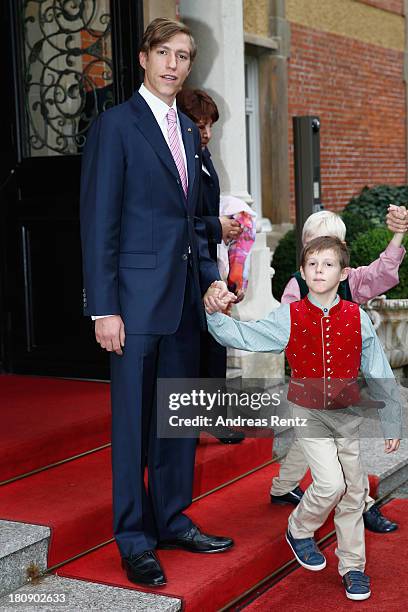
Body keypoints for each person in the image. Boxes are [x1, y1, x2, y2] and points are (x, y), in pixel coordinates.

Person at [80, 18, 236, 588]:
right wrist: (104, 308)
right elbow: (100, 223)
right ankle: (134, 537)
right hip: (134, 305)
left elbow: (193, 223)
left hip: (185, 302)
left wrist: (211, 281)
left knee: (178, 419)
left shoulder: (191, 132)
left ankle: (171, 519)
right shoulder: (114, 127)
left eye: (184, 56)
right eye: (164, 53)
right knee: (132, 425)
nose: (174, 64)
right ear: (144, 58)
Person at [205, 236, 402, 601]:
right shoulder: (289, 316)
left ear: (343, 273)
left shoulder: (357, 317)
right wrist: (214, 316)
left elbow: (379, 370)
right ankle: (299, 527)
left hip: (347, 415)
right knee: (330, 484)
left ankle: (353, 566)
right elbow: (247, 335)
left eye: (327, 264)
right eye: (312, 264)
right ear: (302, 272)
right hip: (307, 412)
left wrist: (393, 421)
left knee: (355, 491)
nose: (319, 270)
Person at [270, 208, 407, 534]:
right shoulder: (295, 287)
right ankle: (353, 503)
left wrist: (398, 235)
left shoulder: (352, 279)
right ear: (305, 248)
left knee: (329, 445)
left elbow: (382, 271)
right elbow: (280, 330)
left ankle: (293, 489)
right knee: (325, 445)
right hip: (309, 383)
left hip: (340, 382)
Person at [176, 88, 245, 443]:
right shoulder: (181, 162)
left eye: (210, 125)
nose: (206, 133)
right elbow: (177, 221)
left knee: (215, 342)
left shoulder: (204, 157)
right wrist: (217, 224)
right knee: (201, 344)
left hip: (209, 260)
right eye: (200, 125)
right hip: (188, 266)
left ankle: (214, 416)